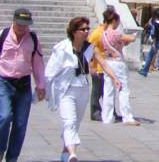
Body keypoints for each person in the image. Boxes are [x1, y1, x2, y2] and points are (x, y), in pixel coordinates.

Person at [45, 16, 120, 162]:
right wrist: (44, 88)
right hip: (67, 90)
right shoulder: (62, 48)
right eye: (83, 29)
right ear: (74, 32)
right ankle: (73, 154)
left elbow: (104, 64)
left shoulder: (90, 47)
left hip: (82, 90)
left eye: (87, 29)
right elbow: (51, 70)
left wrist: (115, 78)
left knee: (75, 122)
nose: (86, 31)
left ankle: (66, 153)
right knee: (69, 122)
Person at [0, 8, 46, 162]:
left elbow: (38, 63)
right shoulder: (2, 35)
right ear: (13, 21)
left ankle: (12, 157)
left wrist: (41, 85)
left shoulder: (33, 39)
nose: (22, 28)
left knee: (21, 123)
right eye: (19, 24)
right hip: (3, 81)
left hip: (23, 84)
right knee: (4, 116)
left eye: (25, 25)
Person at [100, 9, 138, 125]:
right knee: (123, 89)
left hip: (108, 62)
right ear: (115, 20)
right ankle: (127, 117)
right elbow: (131, 38)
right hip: (118, 63)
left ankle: (107, 117)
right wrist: (133, 36)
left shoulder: (104, 34)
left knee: (108, 91)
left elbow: (119, 43)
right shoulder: (115, 33)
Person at [86, 12, 110, 121]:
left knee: (107, 91)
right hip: (98, 67)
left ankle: (109, 111)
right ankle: (95, 112)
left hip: (108, 67)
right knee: (97, 91)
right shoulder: (97, 33)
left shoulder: (109, 33)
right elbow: (89, 49)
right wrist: (91, 66)